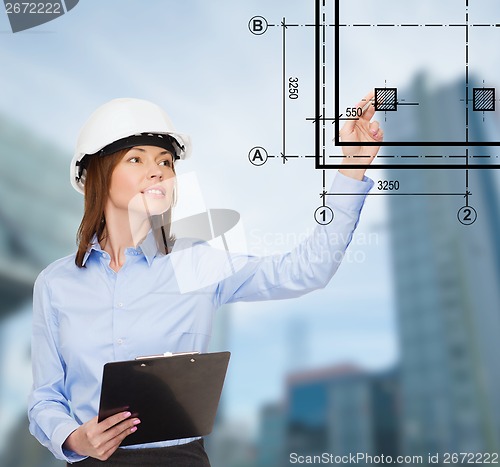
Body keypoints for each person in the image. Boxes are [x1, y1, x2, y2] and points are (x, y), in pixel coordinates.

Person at [28, 93, 383, 466]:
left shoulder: (195, 262)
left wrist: (351, 169)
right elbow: (45, 397)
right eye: (137, 159)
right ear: (98, 174)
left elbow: (306, 270)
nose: (158, 171)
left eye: (165, 162)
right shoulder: (56, 284)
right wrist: (73, 438)